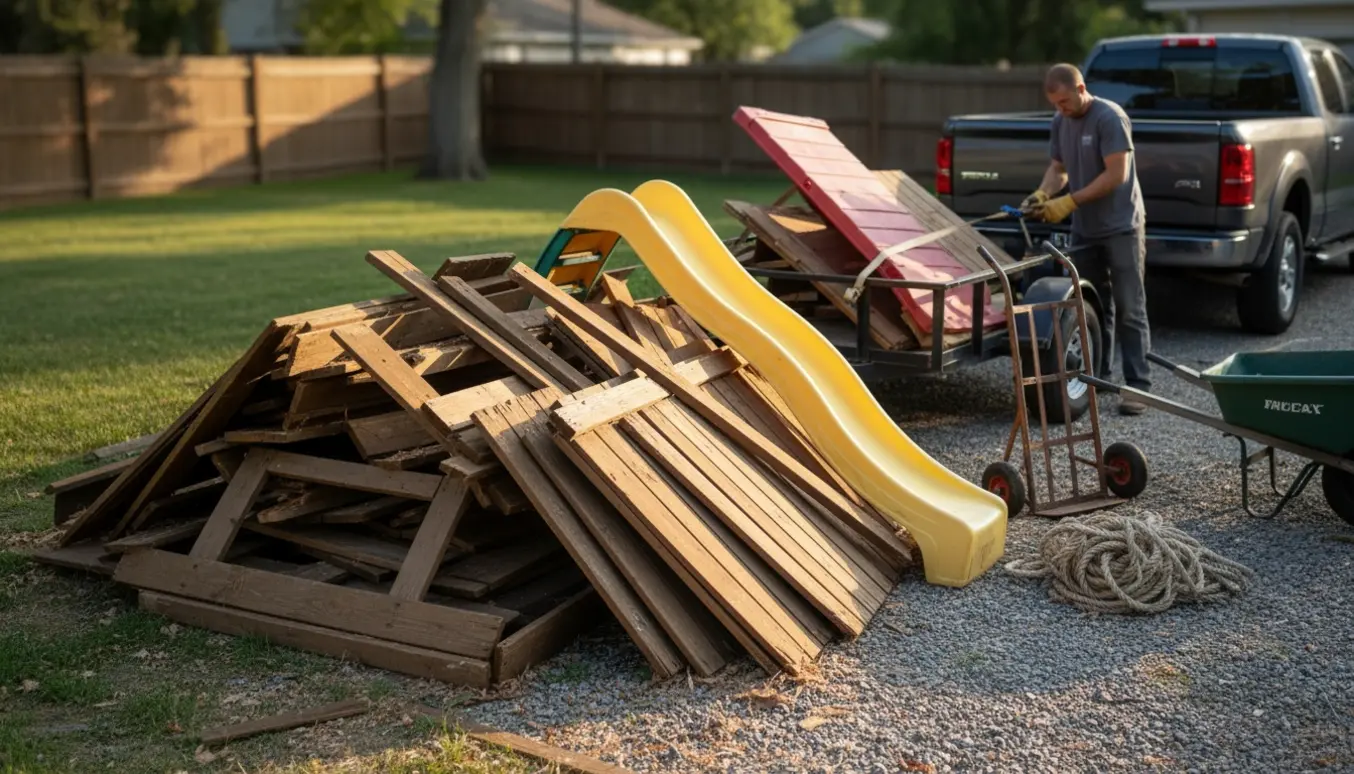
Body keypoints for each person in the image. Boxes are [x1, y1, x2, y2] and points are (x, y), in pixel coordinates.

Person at [1024, 63, 1152, 416]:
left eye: (1065, 101)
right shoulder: (1061, 120)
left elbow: (1116, 174)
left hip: (1121, 226)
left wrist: (1068, 202)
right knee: (1093, 306)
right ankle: (1100, 377)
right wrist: (1043, 194)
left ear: (1081, 89)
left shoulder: (1109, 118)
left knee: (1129, 306)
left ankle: (1138, 386)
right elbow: (1058, 169)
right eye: (1055, 104)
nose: (1061, 109)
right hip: (1086, 229)